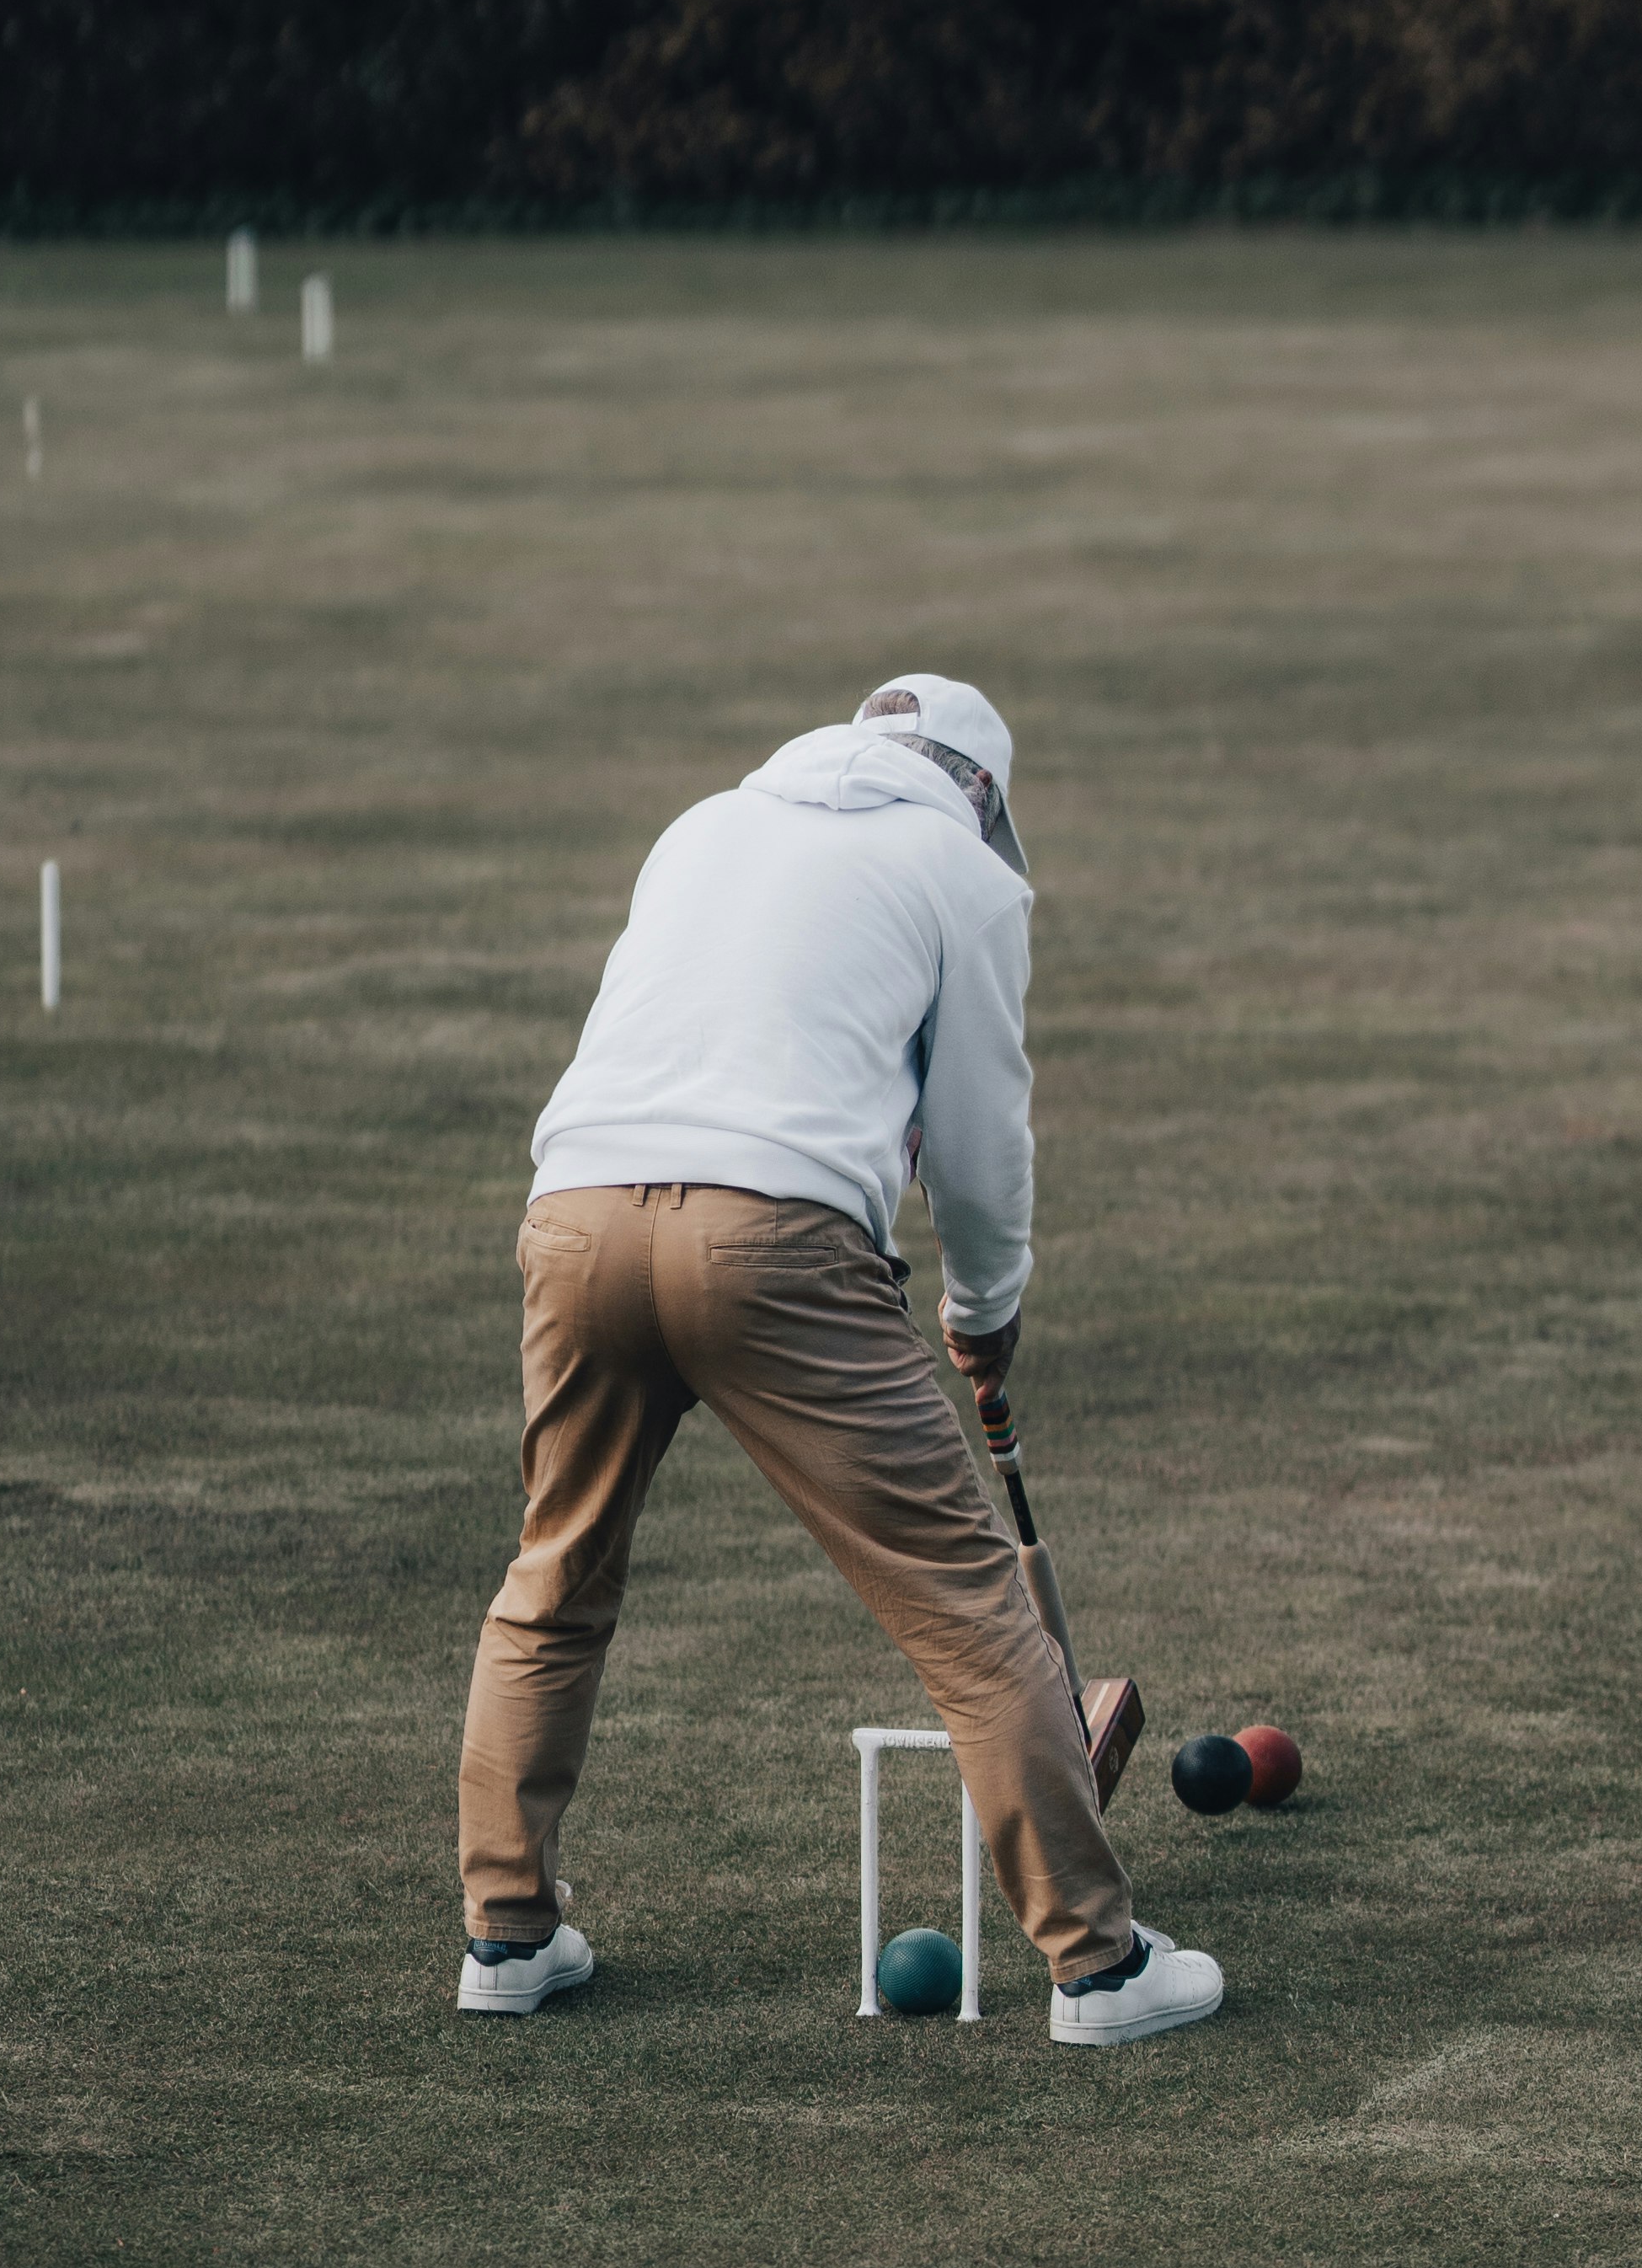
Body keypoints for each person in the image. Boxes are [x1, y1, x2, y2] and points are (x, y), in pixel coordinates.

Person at [452, 671, 1225, 2047]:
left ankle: (505, 1935)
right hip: (773, 1240)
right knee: (969, 1606)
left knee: (553, 1574)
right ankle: (1099, 1971)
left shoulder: (702, 823)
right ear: (978, 792)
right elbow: (983, 1140)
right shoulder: (962, 870)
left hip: (571, 1218)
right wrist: (987, 1310)